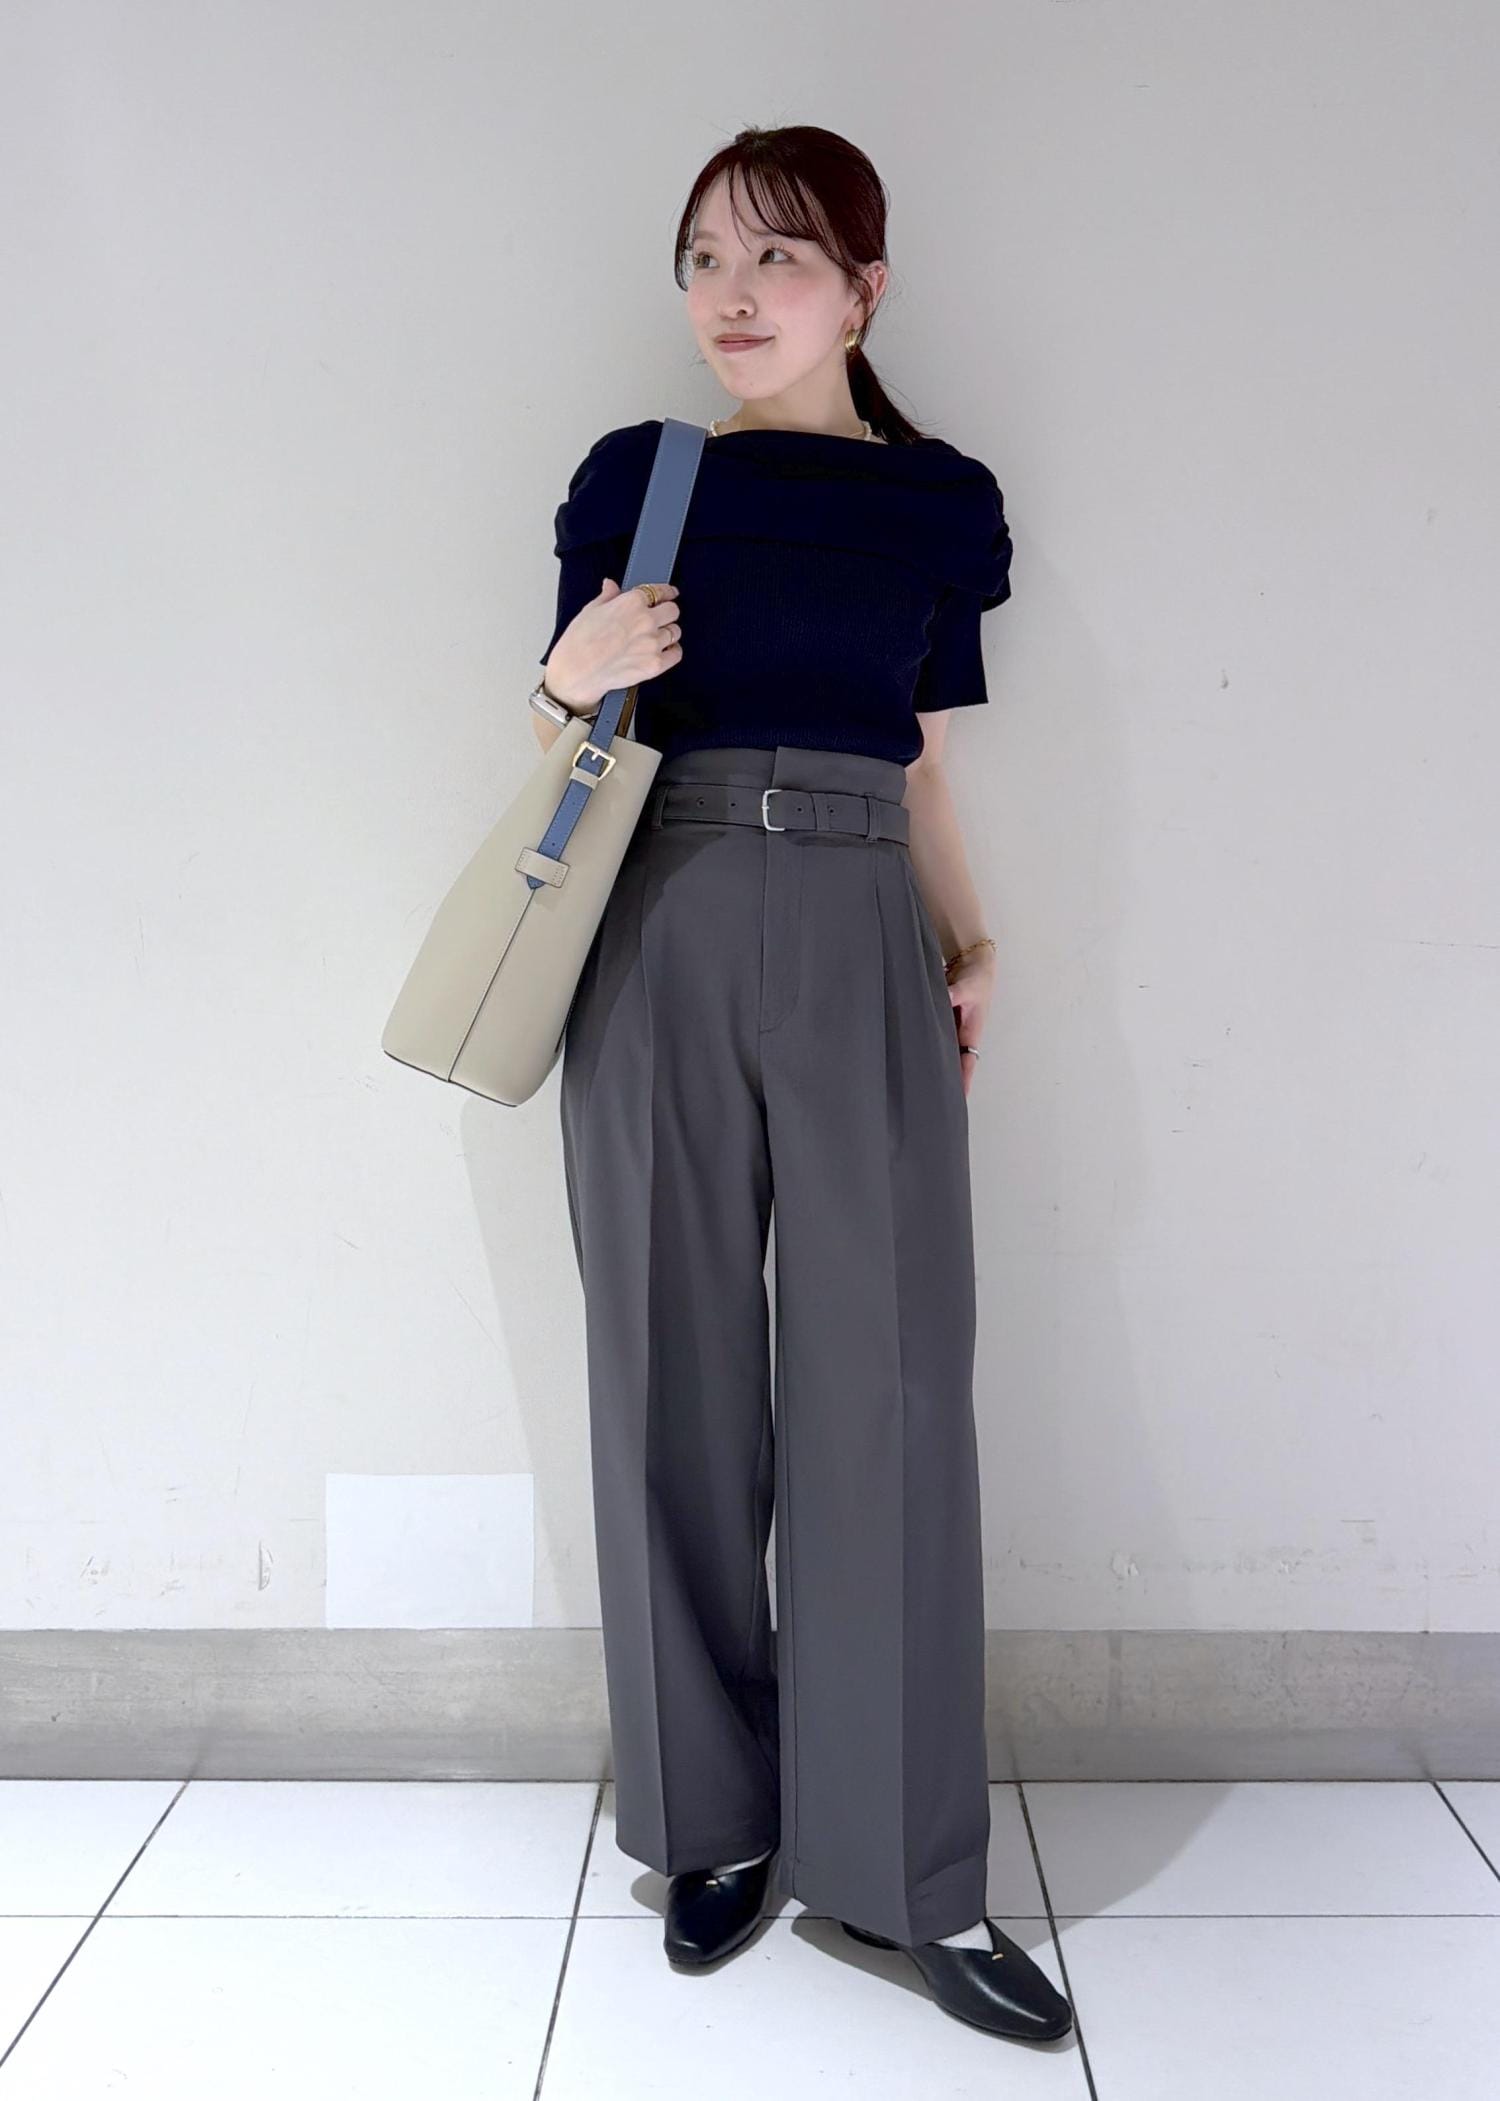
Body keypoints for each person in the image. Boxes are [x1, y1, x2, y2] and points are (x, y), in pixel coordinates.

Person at [529, 125, 1072, 2048]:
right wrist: (567, 673)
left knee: (892, 1391)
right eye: (703, 258)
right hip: (659, 919)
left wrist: (971, 935)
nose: (732, 294)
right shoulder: (639, 478)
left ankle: (907, 1877)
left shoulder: (941, 504)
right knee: (668, 1377)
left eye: (776, 256)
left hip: (860, 923)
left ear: (865, 286)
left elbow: (918, 750)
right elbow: (567, 751)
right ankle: (712, 1826)